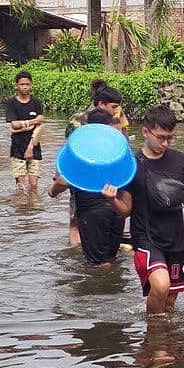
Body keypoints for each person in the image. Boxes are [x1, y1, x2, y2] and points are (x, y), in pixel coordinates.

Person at [125, 105, 184, 314]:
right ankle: (154, 335)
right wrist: (110, 198)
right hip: (146, 238)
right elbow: (125, 209)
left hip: (175, 238)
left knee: (170, 302)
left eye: (170, 138)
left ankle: (164, 340)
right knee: (161, 285)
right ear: (145, 132)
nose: (165, 144)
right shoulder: (131, 164)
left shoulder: (179, 160)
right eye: (161, 137)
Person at [48, 109, 133, 265]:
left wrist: (52, 190)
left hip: (92, 214)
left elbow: (63, 182)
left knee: (97, 264)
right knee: (111, 257)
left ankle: (101, 287)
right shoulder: (118, 149)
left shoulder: (82, 150)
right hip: (118, 211)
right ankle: (115, 287)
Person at [5, 71, 44, 191]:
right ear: (16, 85)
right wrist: (32, 121)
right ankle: (22, 208)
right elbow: (14, 125)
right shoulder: (11, 103)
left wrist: (30, 147)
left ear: (31, 85)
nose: (25, 87)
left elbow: (40, 126)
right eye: (22, 84)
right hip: (17, 146)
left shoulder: (36, 102)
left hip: (34, 145)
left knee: (33, 186)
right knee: (20, 187)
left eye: (27, 84)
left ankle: (32, 207)